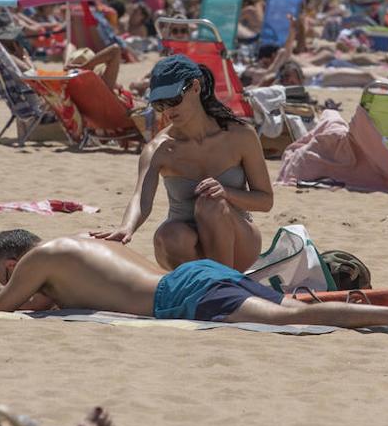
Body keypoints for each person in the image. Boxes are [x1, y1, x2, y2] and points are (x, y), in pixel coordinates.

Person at [0, 229, 388, 336]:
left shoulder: (41, 260)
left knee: (292, 318)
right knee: (301, 311)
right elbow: (25, 298)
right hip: (199, 277)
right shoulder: (69, 249)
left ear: (12, 264)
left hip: (184, 296)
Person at [93, 55, 271, 270]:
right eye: (160, 104)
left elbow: (265, 201)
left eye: (174, 100)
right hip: (189, 248)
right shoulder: (159, 148)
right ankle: (204, 286)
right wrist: (126, 227)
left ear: (195, 87)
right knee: (169, 234)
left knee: (210, 203)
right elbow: (141, 198)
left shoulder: (240, 135)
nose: (168, 111)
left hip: (238, 245)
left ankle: (223, 283)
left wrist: (226, 192)